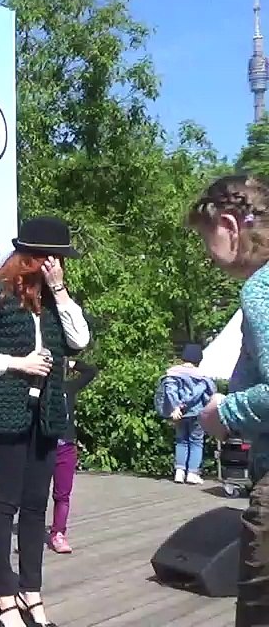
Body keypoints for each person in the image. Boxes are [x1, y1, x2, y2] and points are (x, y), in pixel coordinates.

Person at [0, 216, 91, 627]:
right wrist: (17, 363)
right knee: (6, 503)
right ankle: (2, 595)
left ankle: (31, 590)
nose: (59, 265)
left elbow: (80, 340)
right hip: (4, 411)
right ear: (35, 257)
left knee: (35, 506)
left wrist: (61, 291)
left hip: (44, 414)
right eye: (54, 258)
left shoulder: (53, 299)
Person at [188, 175, 269, 626]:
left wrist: (225, 411)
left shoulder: (261, 289)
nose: (208, 253)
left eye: (207, 238)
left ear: (230, 226)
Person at [48, 357, 99, 554]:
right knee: (35, 494)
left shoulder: (68, 388)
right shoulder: (40, 390)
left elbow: (91, 371)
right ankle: (30, 534)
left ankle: (58, 533)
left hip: (65, 447)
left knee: (62, 494)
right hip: (43, 447)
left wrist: (70, 363)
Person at [156, 343, 216, 486]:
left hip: (178, 414)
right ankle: (192, 474)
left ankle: (179, 472)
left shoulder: (173, 373)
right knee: (196, 441)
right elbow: (205, 394)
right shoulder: (201, 376)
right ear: (199, 360)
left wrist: (176, 407)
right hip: (197, 413)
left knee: (181, 441)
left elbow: (170, 391)